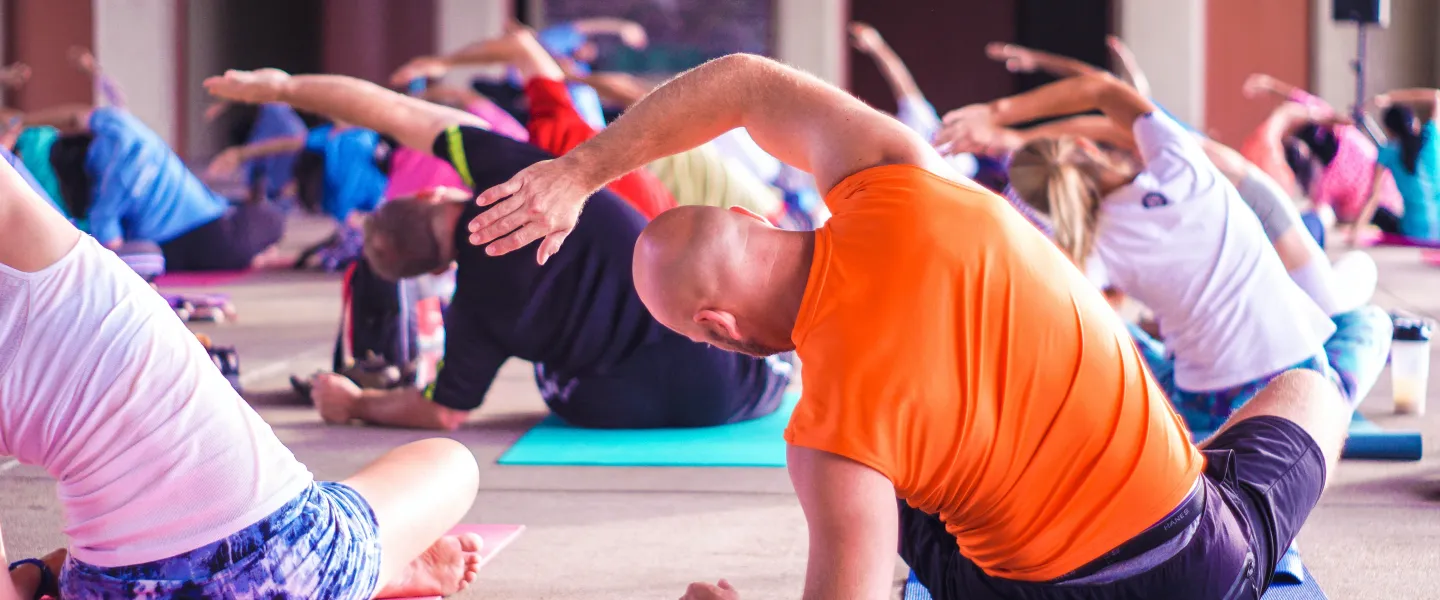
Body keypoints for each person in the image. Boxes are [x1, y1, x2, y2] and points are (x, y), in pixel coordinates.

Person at [456, 52, 1380, 599]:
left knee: (888, 513)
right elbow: (740, 83)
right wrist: (577, 173)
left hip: (1043, 587)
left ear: (717, 327)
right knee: (1310, 386)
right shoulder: (900, 182)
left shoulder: (830, 446)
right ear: (757, 222)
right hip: (1198, 555)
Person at [0, 156, 485, 598]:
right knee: (452, 463)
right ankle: (379, 565)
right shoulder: (29, 237)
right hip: (286, 563)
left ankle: (376, 561)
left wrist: (38, 578)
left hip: (110, 591)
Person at [204, 67, 792, 431]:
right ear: (436, 191)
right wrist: (283, 87)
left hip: (618, 412)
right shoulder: (506, 172)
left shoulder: (474, 316)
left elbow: (442, 412)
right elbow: (397, 111)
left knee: (550, 377)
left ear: (435, 270)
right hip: (739, 378)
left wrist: (357, 403)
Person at [391, 28, 676, 220]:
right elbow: (522, 44)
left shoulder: (560, 139)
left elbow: (522, 44)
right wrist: (442, 63)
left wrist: (443, 63)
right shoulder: (560, 134)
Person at [8, 102, 285, 272]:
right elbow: (75, 117)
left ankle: (252, 249)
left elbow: (111, 252)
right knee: (272, 218)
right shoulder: (123, 128)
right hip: (202, 227)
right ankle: (253, 248)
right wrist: (24, 121)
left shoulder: (105, 200)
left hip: (196, 231)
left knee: (253, 219)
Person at [1242, 74, 1404, 229]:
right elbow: (1307, 103)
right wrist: (1270, 84)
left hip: (1373, 205)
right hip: (1382, 200)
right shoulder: (1345, 137)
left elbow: (1299, 101)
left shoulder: (1329, 179)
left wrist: (1271, 86)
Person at [1353, 89, 1440, 243]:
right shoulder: (1431, 136)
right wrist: (1390, 98)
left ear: (1389, 130)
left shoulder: (1387, 152)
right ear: (1414, 122)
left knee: (1380, 213)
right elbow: (1436, 95)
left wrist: (1356, 232)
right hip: (1437, 232)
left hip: (1411, 232)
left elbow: (1373, 197)